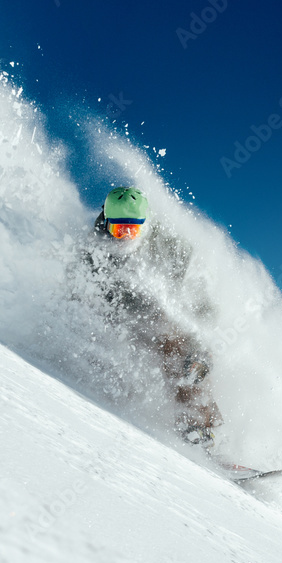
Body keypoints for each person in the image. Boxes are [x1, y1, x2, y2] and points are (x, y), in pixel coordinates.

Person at [85, 186, 222, 446]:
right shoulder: (94, 248)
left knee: (182, 356)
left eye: (132, 230)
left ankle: (197, 427)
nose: (125, 237)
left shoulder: (170, 246)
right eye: (119, 230)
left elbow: (195, 296)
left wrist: (202, 345)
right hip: (118, 318)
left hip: (159, 316)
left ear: (144, 225)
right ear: (106, 221)